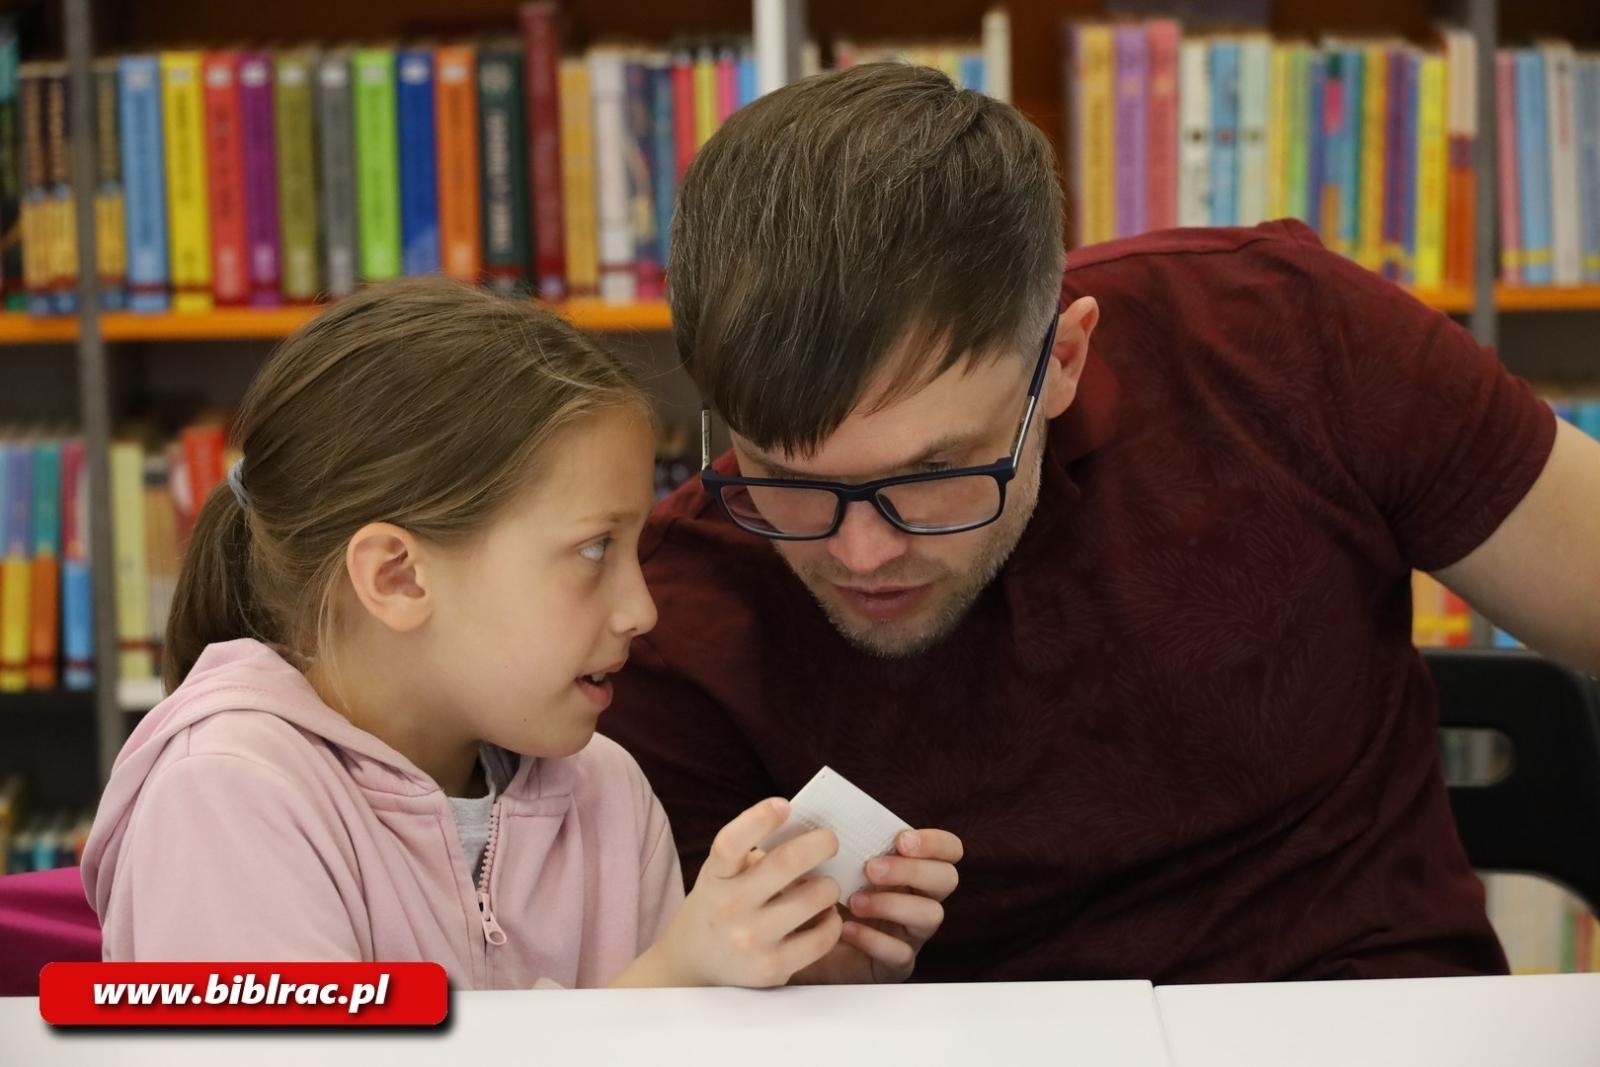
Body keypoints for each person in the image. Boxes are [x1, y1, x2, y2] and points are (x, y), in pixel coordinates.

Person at [602, 62, 1600, 983]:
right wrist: (778, 990)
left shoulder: (1285, 341)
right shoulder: (673, 618)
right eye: (783, 477)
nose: (861, 552)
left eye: (937, 473)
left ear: (1066, 356)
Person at [80, 278, 956, 989]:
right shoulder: (225, 798)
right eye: (590, 549)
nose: (643, 610)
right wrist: (672, 988)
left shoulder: (608, 792)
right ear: (397, 576)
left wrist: (786, 986)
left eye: (633, 547)